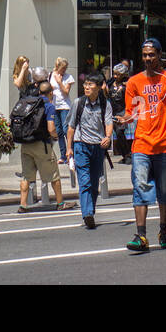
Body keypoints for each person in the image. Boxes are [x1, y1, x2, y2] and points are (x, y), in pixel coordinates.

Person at [117, 39, 166, 251]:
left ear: (159, 55)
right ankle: (141, 236)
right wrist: (125, 119)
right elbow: (133, 111)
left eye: (152, 55)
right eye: (145, 55)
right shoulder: (133, 82)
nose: (148, 59)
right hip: (142, 144)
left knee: (164, 191)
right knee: (140, 187)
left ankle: (164, 230)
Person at [66, 73, 114, 229]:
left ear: (99, 87)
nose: (86, 87)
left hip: (98, 147)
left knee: (94, 183)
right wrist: (69, 148)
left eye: (90, 85)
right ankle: (87, 214)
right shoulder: (78, 103)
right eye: (85, 84)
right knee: (85, 181)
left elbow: (108, 123)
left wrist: (107, 137)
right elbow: (71, 127)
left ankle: (90, 211)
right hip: (81, 145)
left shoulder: (105, 104)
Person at [16, 79, 68, 212]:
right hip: (41, 145)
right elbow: (51, 128)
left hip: (26, 144)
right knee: (54, 175)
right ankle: (60, 203)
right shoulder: (49, 106)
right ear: (50, 93)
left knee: (26, 176)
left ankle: (23, 205)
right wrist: (56, 136)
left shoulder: (30, 103)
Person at [50, 57, 75, 164]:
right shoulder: (50, 75)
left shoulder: (68, 77)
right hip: (54, 106)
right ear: (57, 67)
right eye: (62, 68)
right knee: (58, 131)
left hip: (65, 106)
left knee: (66, 130)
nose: (64, 70)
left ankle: (71, 153)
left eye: (65, 68)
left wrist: (60, 82)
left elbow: (66, 92)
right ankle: (63, 155)